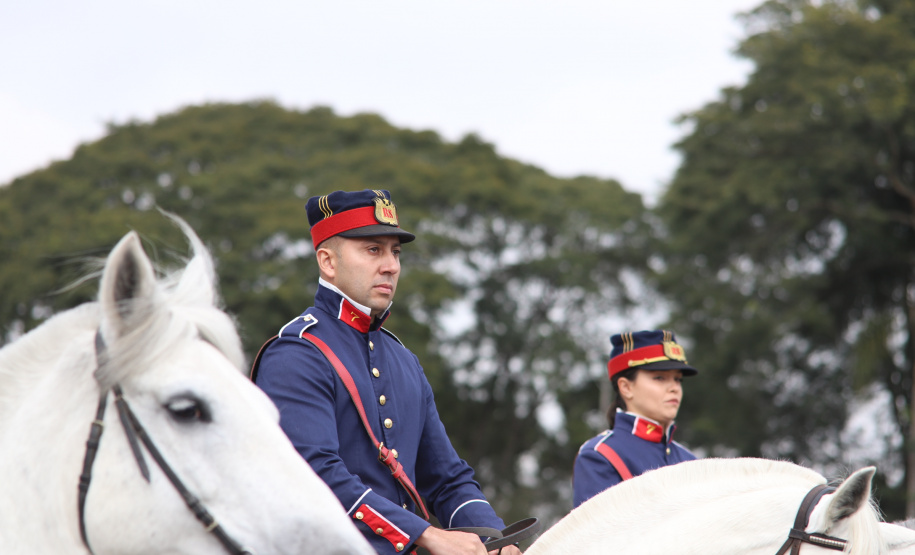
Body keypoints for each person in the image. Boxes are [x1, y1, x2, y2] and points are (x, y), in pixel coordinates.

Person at [254, 189, 521, 555]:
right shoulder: (297, 353)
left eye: (395, 251)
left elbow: (447, 479)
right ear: (328, 262)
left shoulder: (403, 360)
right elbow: (316, 473)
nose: (391, 265)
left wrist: (496, 540)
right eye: (373, 249)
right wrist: (426, 534)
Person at [572, 329, 699, 508]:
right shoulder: (600, 455)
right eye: (660, 378)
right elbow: (601, 535)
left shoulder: (690, 461)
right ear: (626, 387)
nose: (674, 388)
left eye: (678, 379)